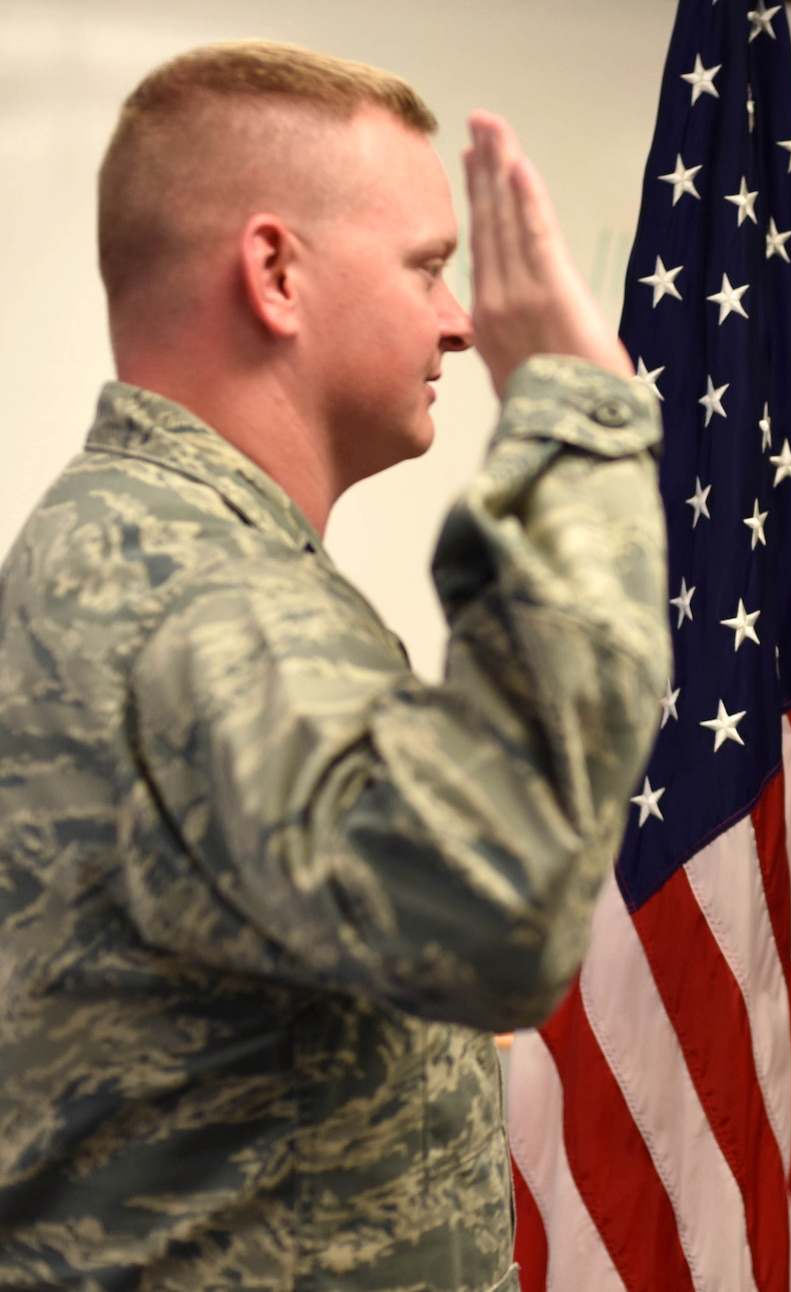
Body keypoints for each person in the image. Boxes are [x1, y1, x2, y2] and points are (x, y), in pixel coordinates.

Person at [0, 41, 668, 1291]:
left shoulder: (143, 544)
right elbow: (497, 902)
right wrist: (581, 425)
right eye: (428, 267)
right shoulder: (190, 590)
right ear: (275, 273)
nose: (463, 322)